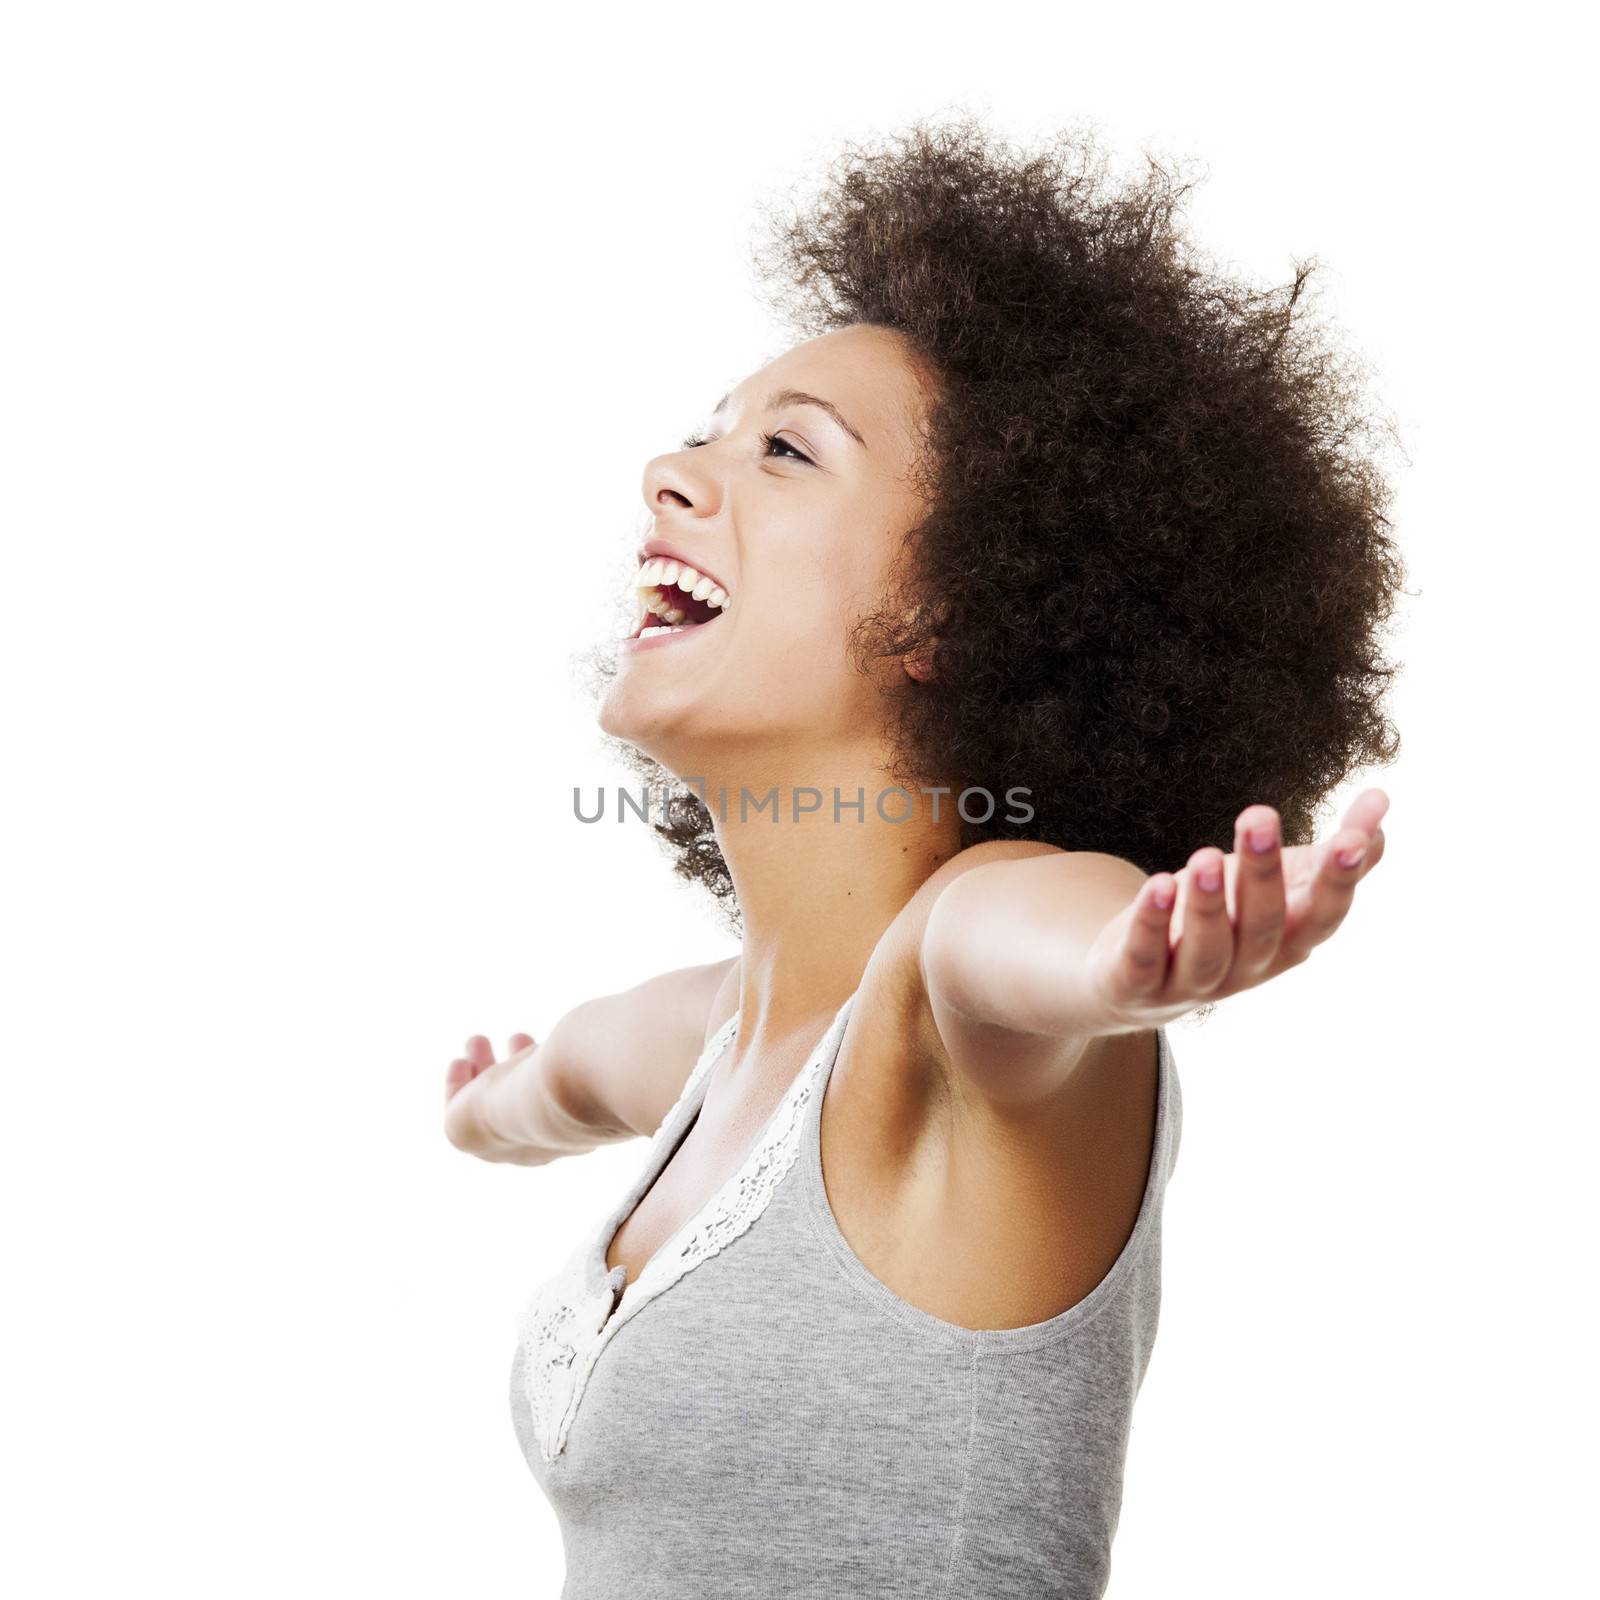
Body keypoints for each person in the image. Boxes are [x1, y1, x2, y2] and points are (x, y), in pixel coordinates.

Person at [442, 114, 1402, 1598]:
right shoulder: (717, 1041)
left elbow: (1024, 944)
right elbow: (565, 1073)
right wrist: (489, 1113)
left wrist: (1126, 953)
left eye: (783, 451)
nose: (672, 475)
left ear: (952, 612)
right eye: (707, 432)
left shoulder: (964, 988)